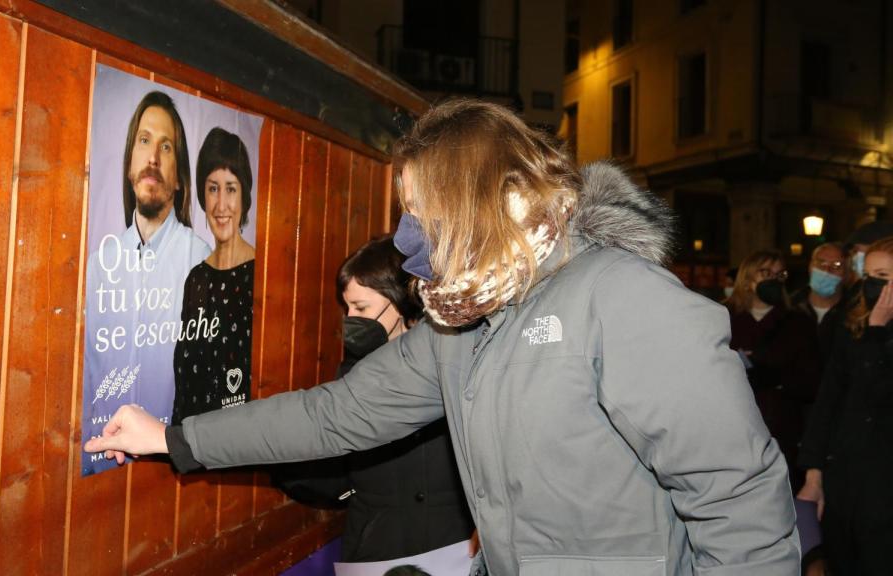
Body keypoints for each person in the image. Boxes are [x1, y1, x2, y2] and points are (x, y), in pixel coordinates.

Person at [86, 99, 799, 575]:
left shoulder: (622, 298)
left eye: (421, 212)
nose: (406, 238)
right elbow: (334, 415)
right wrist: (175, 438)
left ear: (477, 203)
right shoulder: (458, 327)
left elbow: (740, 501)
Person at [272, 236, 475, 563]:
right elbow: (335, 464)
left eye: (361, 308)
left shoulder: (452, 359)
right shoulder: (353, 372)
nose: (350, 318)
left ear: (397, 303)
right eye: (347, 307)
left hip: (453, 549)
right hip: (377, 552)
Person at [82, 91, 210, 475]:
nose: (153, 157)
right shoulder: (98, 266)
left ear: (179, 177)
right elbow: (88, 381)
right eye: (144, 141)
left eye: (166, 146)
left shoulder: (203, 262)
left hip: (173, 473)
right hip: (102, 470)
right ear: (129, 164)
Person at [797, 235, 893, 576]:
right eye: (868, 275)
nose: (871, 285)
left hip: (883, 487)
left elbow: (877, 393)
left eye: (882, 277)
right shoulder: (851, 323)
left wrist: (879, 332)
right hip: (844, 478)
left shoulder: (876, 331)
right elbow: (830, 400)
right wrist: (813, 473)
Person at [172, 127, 255, 422]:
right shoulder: (196, 279)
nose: (221, 205)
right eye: (212, 188)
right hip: (195, 448)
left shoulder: (262, 275)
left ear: (245, 195)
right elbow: (184, 386)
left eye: (231, 188)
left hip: (242, 449)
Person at [725, 250, 820, 483]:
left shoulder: (798, 323)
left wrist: (777, 378)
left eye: (780, 275)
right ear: (747, 278)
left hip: (780, 431)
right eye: (766, 272)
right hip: (731, 429)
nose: (774, 280)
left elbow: (813, 382)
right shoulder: (721, 317)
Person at [790, 242, 848, 365]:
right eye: (821, 263)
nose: (827, 270)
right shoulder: (789, 307)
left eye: (837, 265)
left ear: (846, 273)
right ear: (810, 267)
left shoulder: (854, 312)